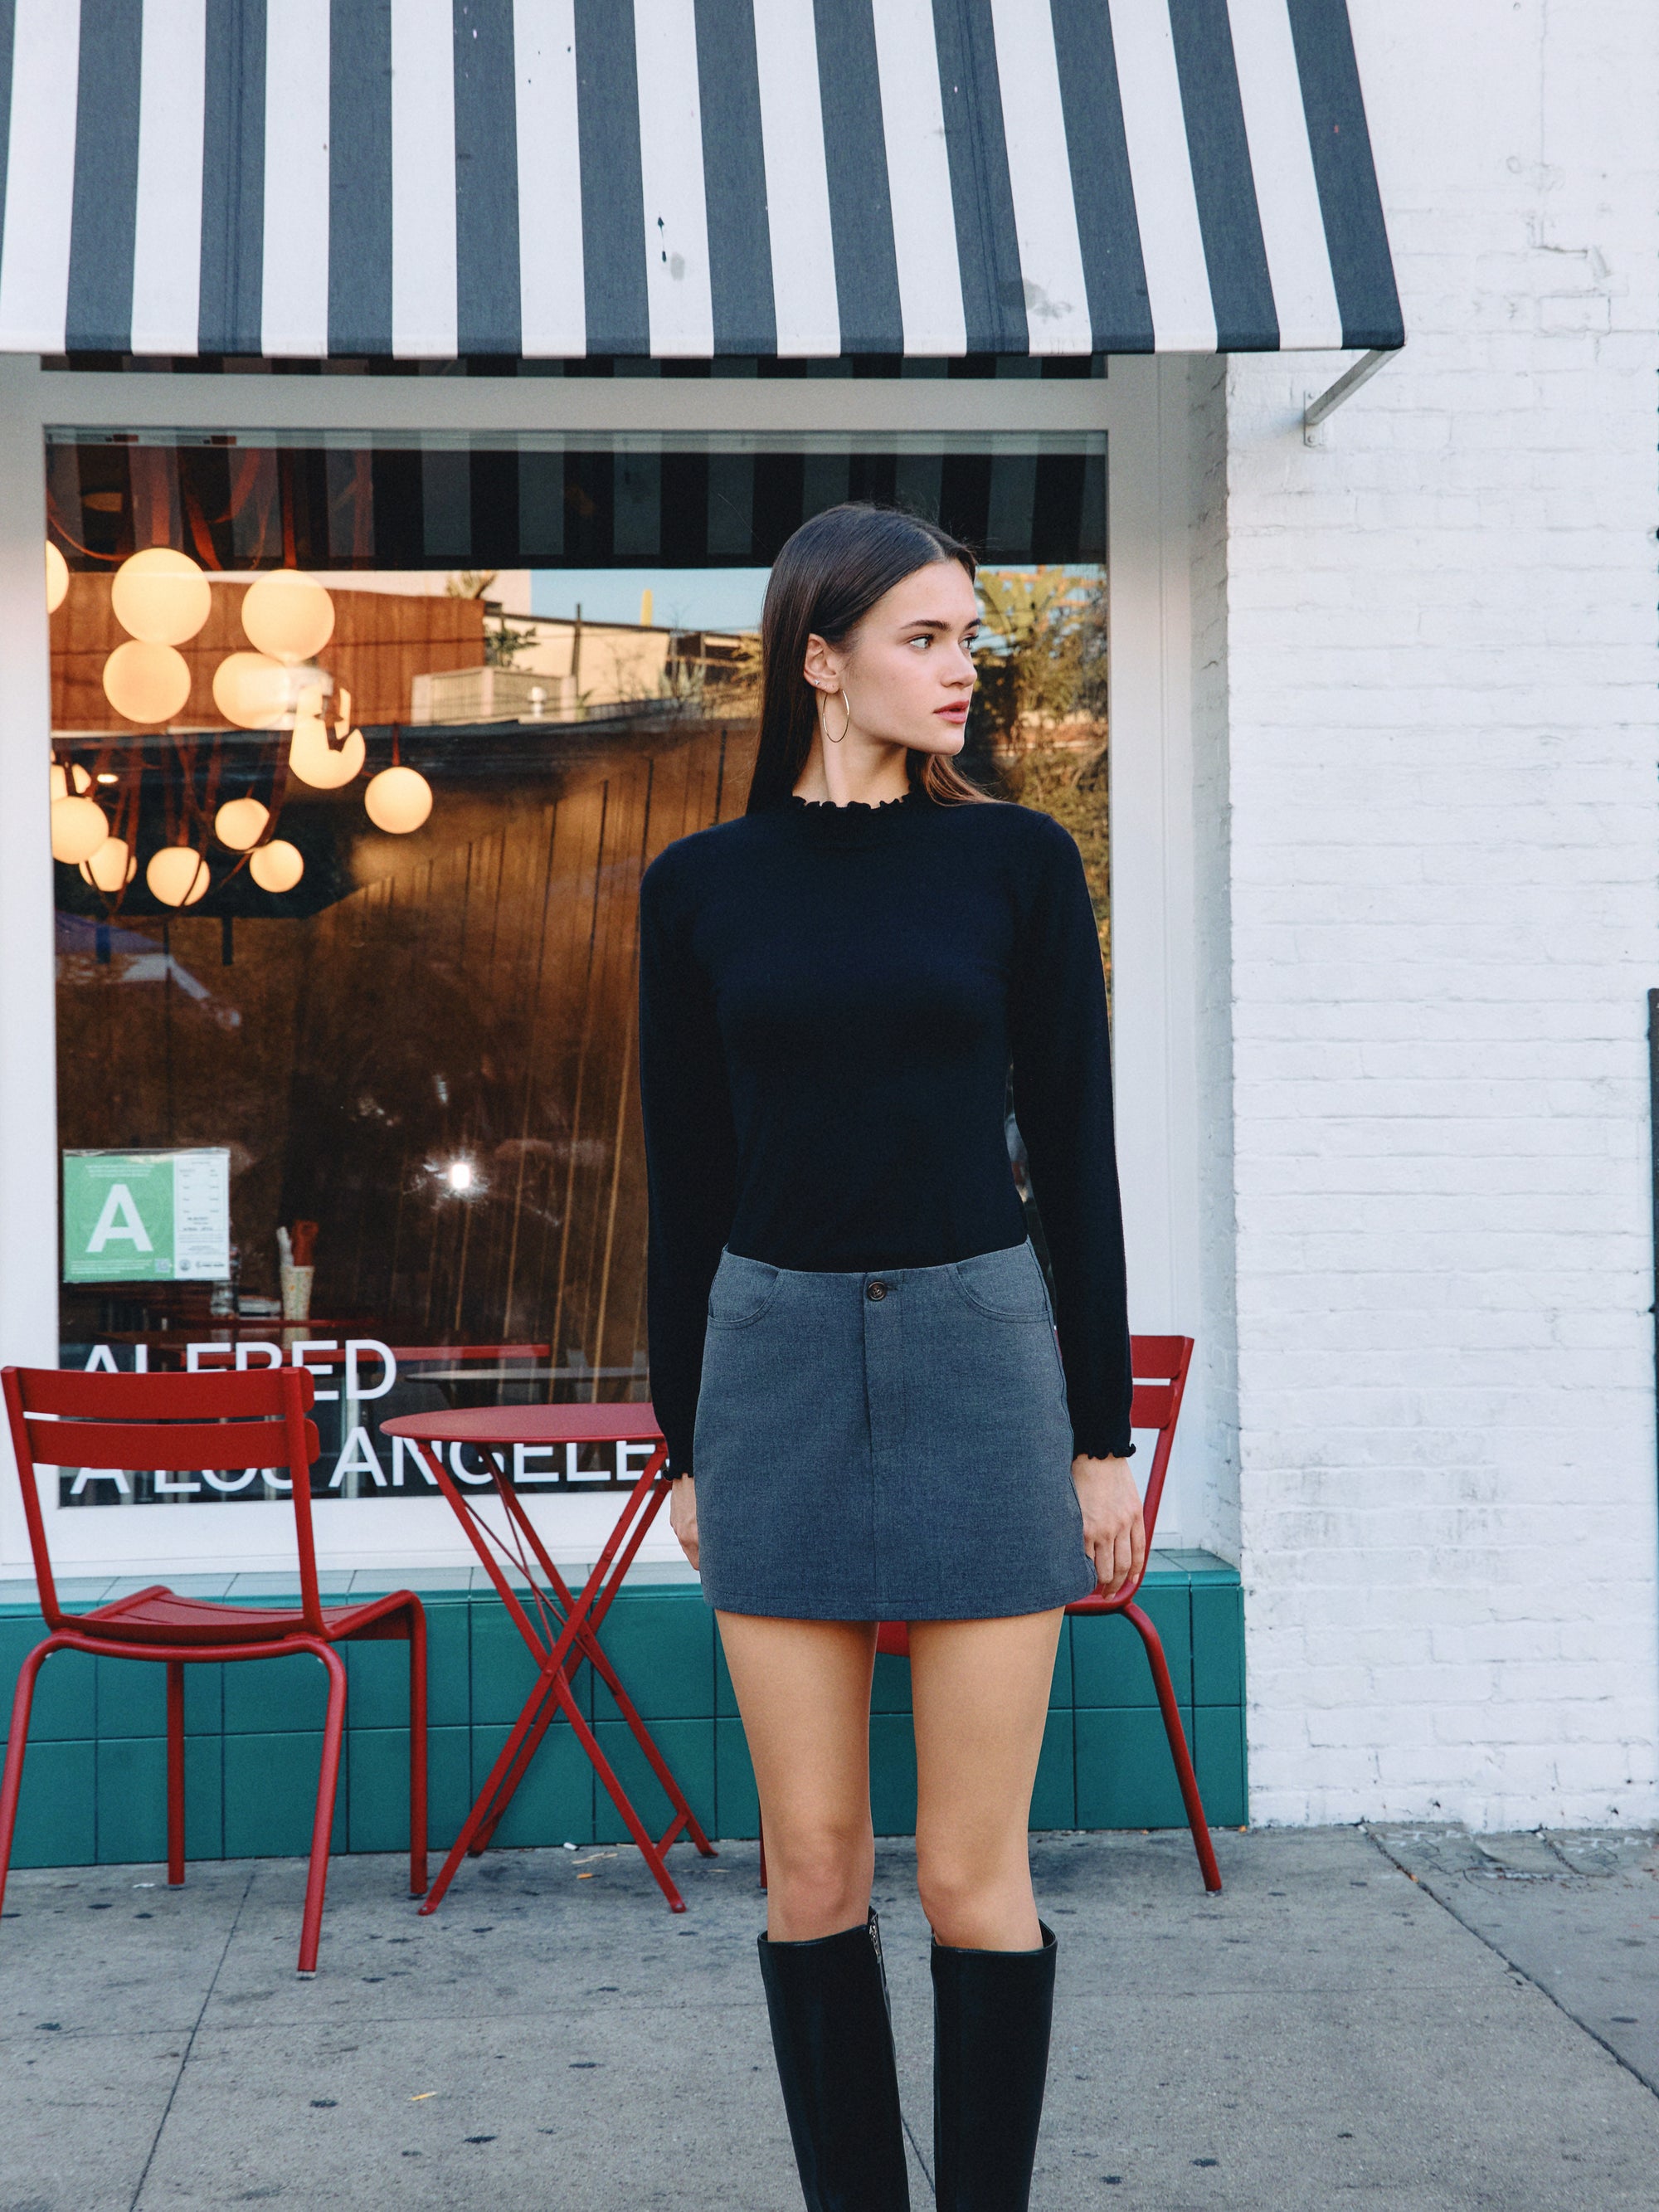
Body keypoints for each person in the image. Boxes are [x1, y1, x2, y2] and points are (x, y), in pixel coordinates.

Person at [637, 504, 1141, 2211]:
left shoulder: (1015, 862)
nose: (960, 666)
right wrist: (681, 1437)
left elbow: (1073, 1150)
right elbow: (684, 1175)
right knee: (812, 1862)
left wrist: (1101, 1432)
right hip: (769, 1363)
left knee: (973, 1869)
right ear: (818, 659)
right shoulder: (698, 887)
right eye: (924, 637)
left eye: (968, 638)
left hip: (981, 1355)